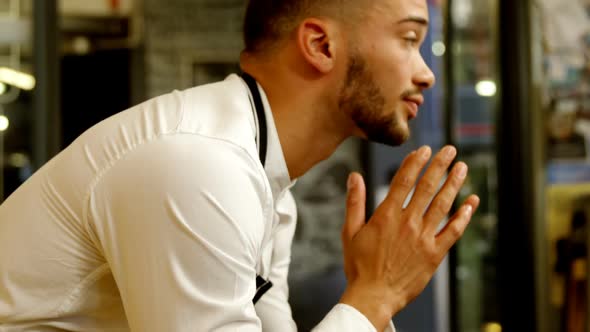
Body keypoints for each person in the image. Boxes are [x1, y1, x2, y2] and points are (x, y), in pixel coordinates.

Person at [0, 0, 480, 331]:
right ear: (321, 45)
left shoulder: (263, 180)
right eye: (409, 38)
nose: (427, 72)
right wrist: (376, 294)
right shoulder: (200, 165)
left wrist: (369, 292)